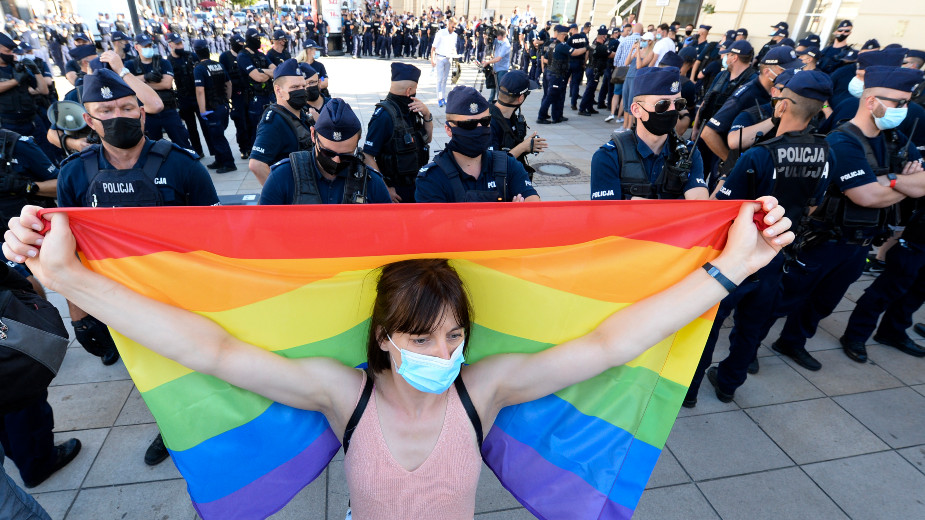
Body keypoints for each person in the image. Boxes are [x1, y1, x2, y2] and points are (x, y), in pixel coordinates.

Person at [3, 190, 794, 518]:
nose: (442, 353)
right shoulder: (339, 395)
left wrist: (732, 269)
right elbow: (208, 346)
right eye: (421, 338)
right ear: (384, 337)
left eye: (453, 336)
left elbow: (612, 340)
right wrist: (68, 275)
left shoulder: (482, 391)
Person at [51, 69, 219, 466]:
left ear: (142, 113)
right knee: (147, 373)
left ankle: (201, 422)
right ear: (89, 121)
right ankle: (172, 425)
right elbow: (67, 251)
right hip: (113, 301)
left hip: (177, 296)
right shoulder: (74, 173)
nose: (119, 116)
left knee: (191, 365)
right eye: (105, 110)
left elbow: (215, 239)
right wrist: (80, 315)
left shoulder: (183, 166)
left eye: (127, 107)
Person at [687, 70, 836, 405]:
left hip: (739, 257)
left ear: (782, 107)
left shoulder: (760, 155)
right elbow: (813, 207)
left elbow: (722, 209)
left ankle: (690, 390)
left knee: (712, 324)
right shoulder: (827, 151)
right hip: (779, 254)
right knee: (753, 326)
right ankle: (729, 384)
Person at [762, 66, 925, 371]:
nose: (906, 109)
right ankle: (747, 350)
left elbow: (921, 184)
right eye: (898, 102)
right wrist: (901, 181)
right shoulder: (843, 141)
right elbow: (866, 196)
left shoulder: (895, 139)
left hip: (860, 242)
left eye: (907, 101)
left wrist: (887, 181)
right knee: (783, 300)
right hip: (824, 239)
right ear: (871, 100)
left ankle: (792, 342)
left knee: (823, 303)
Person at [590, 66, 707, 201]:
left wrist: (636, 204)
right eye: (662, 104)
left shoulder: (689, 153)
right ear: (636, 110)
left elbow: (699, 207)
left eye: (679, 103)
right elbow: (607, 217)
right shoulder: (609, 157)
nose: (672, 110)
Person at [416, 86, 539, 203]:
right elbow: (436, 224)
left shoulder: (508, 165)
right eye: (469, 124)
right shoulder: (432, 178)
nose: (480, 129)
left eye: (485, 121)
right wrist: (509, 215)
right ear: (449, 129)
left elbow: (533, 206)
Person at [260, 98, 391, 205]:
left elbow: (389, 231)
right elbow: (262, 229)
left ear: (358, 141)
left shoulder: (372, 182)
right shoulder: (283, 176)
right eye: (328, 153)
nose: (336, 160)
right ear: (313, 135)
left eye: (346, 155)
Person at [363, 63, 433, 203]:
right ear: (409, 91)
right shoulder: (383, 116)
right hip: (396, 191)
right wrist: (385, 187)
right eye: (415, 90)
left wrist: (427, 115)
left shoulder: (411, 109)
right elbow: (367, 155)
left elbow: (428, 139)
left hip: (415, 185)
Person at [126, 34, 195, 151]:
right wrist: (147, 77)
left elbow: (166, 84)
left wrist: (139, 83)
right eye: (145, 46)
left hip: (168, 109)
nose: (148, 48)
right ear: (137, 47)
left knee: (182, 141)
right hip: (147, 113)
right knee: (152, 146)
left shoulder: (163, 62)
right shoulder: (130, 65)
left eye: (149, 45)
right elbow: (127, 84)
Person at [248, 59, 311, 185]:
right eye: (294, 87)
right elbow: (256, 164)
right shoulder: (274, 121)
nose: (301, 90)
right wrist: (279, 195)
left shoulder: (300, 113)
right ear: (278, 90)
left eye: (303, 86)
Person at [488, 70, 546, 178]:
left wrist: (528, 147)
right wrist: (522, 147)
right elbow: (492, 164)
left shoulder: (511, 116)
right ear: (521, 98)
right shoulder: (489, 123)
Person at [192, 39, 236, 173]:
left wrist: (202, 110)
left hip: (212, 108)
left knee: (218, 137)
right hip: (222, 106)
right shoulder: (219, 65)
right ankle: (219, 160)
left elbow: (200, 91)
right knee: (215, 135)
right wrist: (227, 99)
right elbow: (229, 84)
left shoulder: (199, 69)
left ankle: (229, 164)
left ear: (197, 53)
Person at [167, 33, 209, 160]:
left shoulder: (192, 56)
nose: (181, 45)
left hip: (197, 95)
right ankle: (197, 152)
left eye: (181, 43)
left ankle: (215, 152)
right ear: (170, 45)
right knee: (191, 128)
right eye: (177, 43)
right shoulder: (169, 61)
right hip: (183, 98)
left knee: (206, 125)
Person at [536, 25, 585, 125]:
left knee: (556, 96)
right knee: (551, 96)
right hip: (556, 74)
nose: (567, 37)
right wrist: (585, 48)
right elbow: (575, 52)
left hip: (550, 73)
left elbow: (545, 59)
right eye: (566, 35)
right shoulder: (562, 46)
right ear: (563, 35)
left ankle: (556, 116)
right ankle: (541, 117)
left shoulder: (552, 45)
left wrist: (554, 61)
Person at [237, 28, 276, 150]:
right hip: (254, 98)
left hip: (269, 95)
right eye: (257, 38)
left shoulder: (261, 54)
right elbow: (258, 77)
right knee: (257, 128)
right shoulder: (243, 56)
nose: (259, 40)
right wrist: (264, 73)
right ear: (250, 39)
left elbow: (276, 71)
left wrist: (262, 70)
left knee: (273, 124)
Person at [220, 34, 250, 159]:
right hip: (236, 96)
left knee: (251, 122)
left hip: (248, 93)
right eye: (239, 43)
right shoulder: (225, 57)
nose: (242, 45)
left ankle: (251, 146)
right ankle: (243, 148)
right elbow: (224, 78)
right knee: (240, 123)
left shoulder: (245, 55)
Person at [577, 26, 610, 116]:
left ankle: (589, 107)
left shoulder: (593, 44)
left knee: (591, 90)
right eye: (606, 36)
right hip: (594, 71)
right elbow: (610, 54)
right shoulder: (601, 47)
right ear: (603, 37)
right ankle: (582, 108)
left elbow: (587, 53)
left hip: (590, 69)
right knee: (589, 90)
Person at [430, 17, 458, 107]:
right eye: (452, 27)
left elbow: (454, 47)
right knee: (439, 79)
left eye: (455, 27)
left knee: (445, 79)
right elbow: (433, 47)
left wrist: (456, 54)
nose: (453, 29)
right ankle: (439, 98)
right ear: (449, 24)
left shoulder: (455, 35)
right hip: (440, 58)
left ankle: (443, 97)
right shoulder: (441, 33)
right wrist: (432, 59)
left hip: (449, 58)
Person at [481, 26, 511, 104]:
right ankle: (491, 102)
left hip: (502, 69)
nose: (498, 39)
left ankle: (500, 104)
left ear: (504, 36)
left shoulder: (506, 45)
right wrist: (485, 37)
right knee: (493, 87)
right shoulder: (498, 40)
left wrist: (487, 62)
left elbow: (498, 58)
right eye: (497, 37)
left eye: (499, 38)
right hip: (496, 68)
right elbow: (487, 43)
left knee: (500, 89)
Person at [565, 23, 589, 111]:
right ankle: (573, 104)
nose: (569, 31)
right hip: (579, 63)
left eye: (570, 30)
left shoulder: (570, 39)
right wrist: (584, 62)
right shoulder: (584, 38)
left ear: (573, 29)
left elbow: (567, 51)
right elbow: (587, 51)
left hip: (570, 62)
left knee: (564, 83)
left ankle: (561, 101)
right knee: (575, 84)